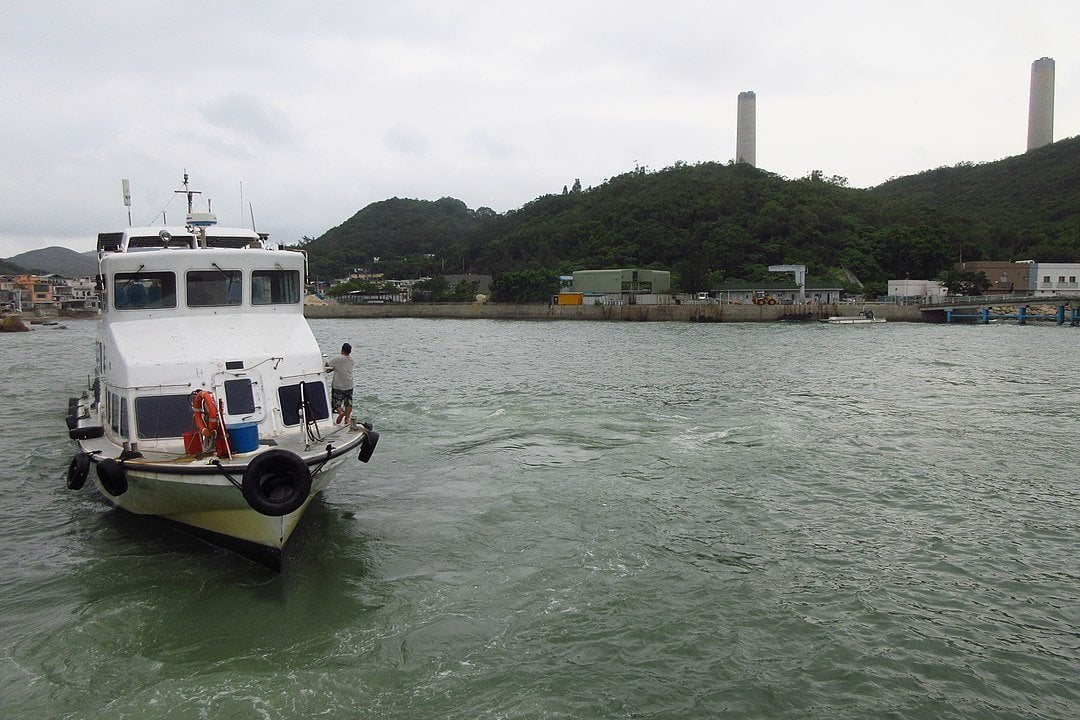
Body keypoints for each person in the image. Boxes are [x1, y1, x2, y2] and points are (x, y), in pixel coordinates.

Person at [324, 342, 355, 427]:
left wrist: (325, 361)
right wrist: (334, 368)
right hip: (349, 385)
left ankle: (340, 412)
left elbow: (327, 365)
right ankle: (347, 419)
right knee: (349, 403)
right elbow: (342, 368)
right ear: (350, 351)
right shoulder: (351, 360)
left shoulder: (337, 359)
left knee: (336, 402)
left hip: (338, 385)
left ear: (342, 350)